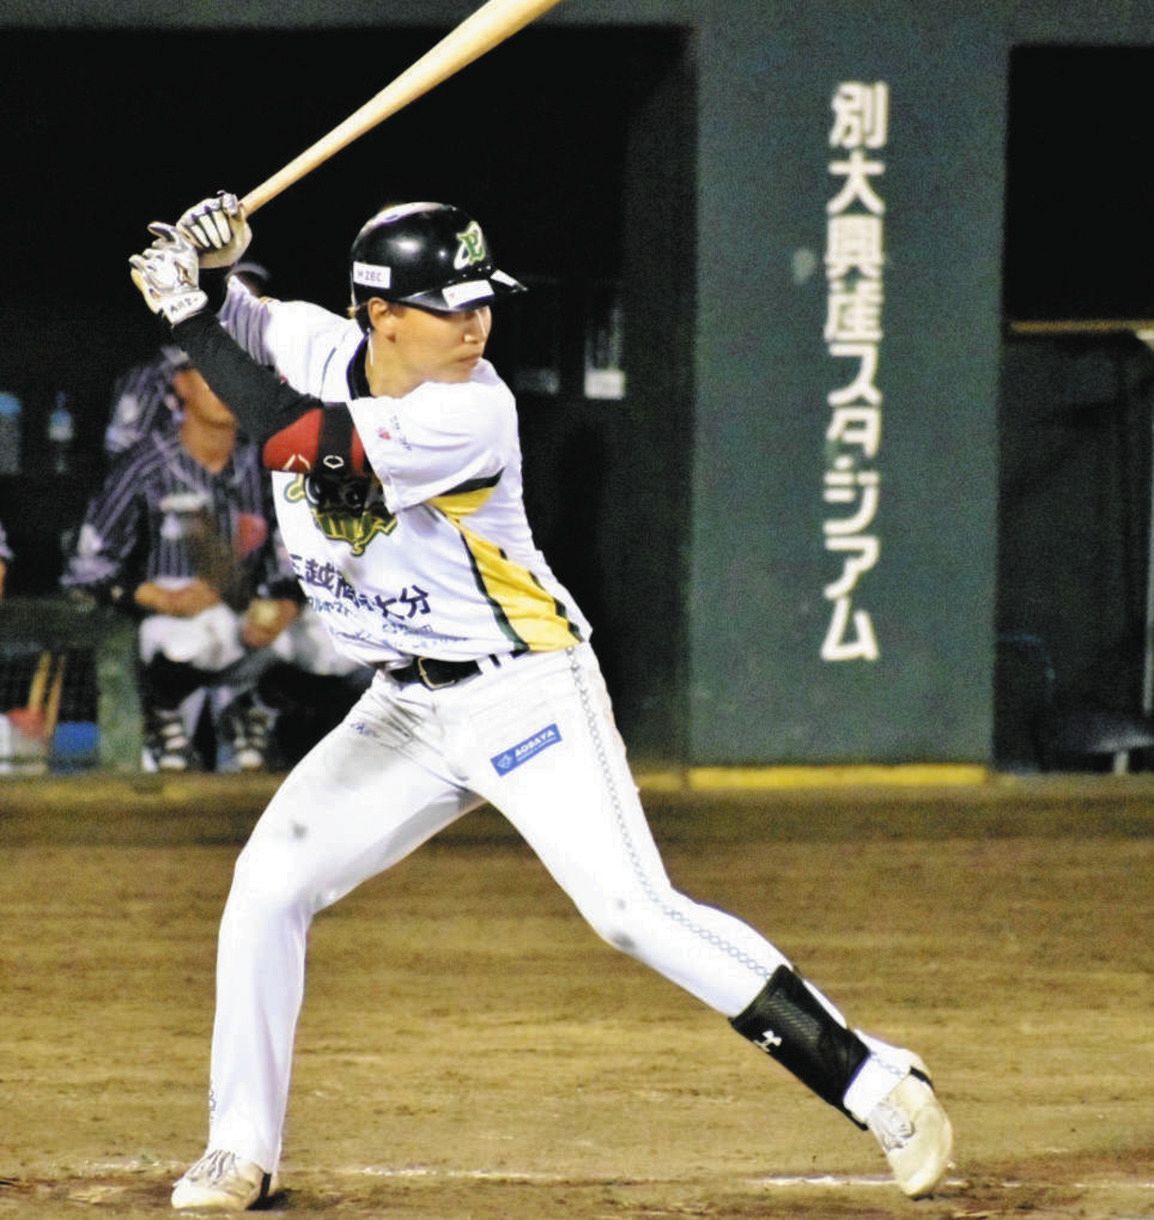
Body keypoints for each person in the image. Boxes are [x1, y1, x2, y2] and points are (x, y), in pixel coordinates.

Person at [128, 194, 954, 1212]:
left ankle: (877, 1083)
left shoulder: (469, 407)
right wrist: (208, 260)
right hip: (403, 709)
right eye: (444, 305)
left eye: (480, 300)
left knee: (631, 912)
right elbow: (240, 319)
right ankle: (237, 1148)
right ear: (378, 314)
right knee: (265, 888)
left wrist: (185, 316)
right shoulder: (316, 339)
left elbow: (303, 446)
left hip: (522, 690)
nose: (473, 322)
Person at [62, 352, 305, 772]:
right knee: (201, 635)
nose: (228, 388)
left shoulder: (267, 460)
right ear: (180, 385)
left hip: (250, 620)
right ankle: (164, 712)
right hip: (167, 628)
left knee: (332, 640)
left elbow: (297, 551)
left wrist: (286, 601)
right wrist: (149, 594)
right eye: (211, 376)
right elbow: (84, 564)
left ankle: (256, 709)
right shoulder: (144, 463)